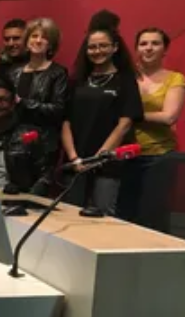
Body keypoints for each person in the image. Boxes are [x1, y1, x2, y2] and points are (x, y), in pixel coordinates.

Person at [61, 11, 143, 216]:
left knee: (103, 216)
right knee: (69, 215)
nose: (97, 51)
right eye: (92, 47)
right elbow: (65, 121)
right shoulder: (77, 80)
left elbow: (125, 124)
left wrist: (99, 158)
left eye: (103, 46)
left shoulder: (125, 80)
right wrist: (74, 157)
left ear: (115, 47)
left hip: (108, 164)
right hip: (76, 162)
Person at [116, 27, 185, 231]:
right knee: (123, 214)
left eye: (155, 43)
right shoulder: (125, 77)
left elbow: (169, 117)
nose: (148, 48)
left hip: (159, 156)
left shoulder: (175, 78)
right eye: (143, 43)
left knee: (152, 216)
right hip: (125, 153)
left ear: (165, 49)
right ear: (136, 49)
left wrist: (132, 116)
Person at [8, 18, 69, 192]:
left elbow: (58, 109)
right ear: (27, 41)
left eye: (44, 37)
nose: (38, 40)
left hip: (44, 146)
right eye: (34, 36)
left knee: (37, 196)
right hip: (14, 144)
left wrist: (23, 103)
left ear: (51, 44)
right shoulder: (14, 72)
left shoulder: (58, 73)